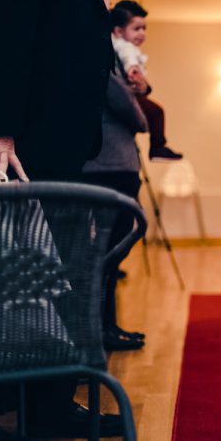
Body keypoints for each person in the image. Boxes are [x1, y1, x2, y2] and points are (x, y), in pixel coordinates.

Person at [0, 0, 124, 441]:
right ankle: (21, 407)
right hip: (28, 146)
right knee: (15, 282)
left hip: (59, 146)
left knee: (53, 279)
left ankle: (46, 403)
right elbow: (7, 33)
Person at [82, 58, 149, 351]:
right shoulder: (102, 63)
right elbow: (128, 108)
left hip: (110, 166)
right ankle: (100, 333)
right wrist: (143, 119)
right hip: (109, 166)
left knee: (109, 256)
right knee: (106, 255)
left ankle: (108, 328)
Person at [111, 0, 183, 161]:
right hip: (130, 98)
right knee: (157, 112)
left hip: (134, 95)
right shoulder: (123, 46)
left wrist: (144, 86)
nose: (142, 33)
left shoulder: (123, 45)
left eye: (144, 28)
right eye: (136, 29)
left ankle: (157, 147)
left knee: (155, 112)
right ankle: (157, 147)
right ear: (118, 31)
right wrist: (133, 69)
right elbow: (127, 57)